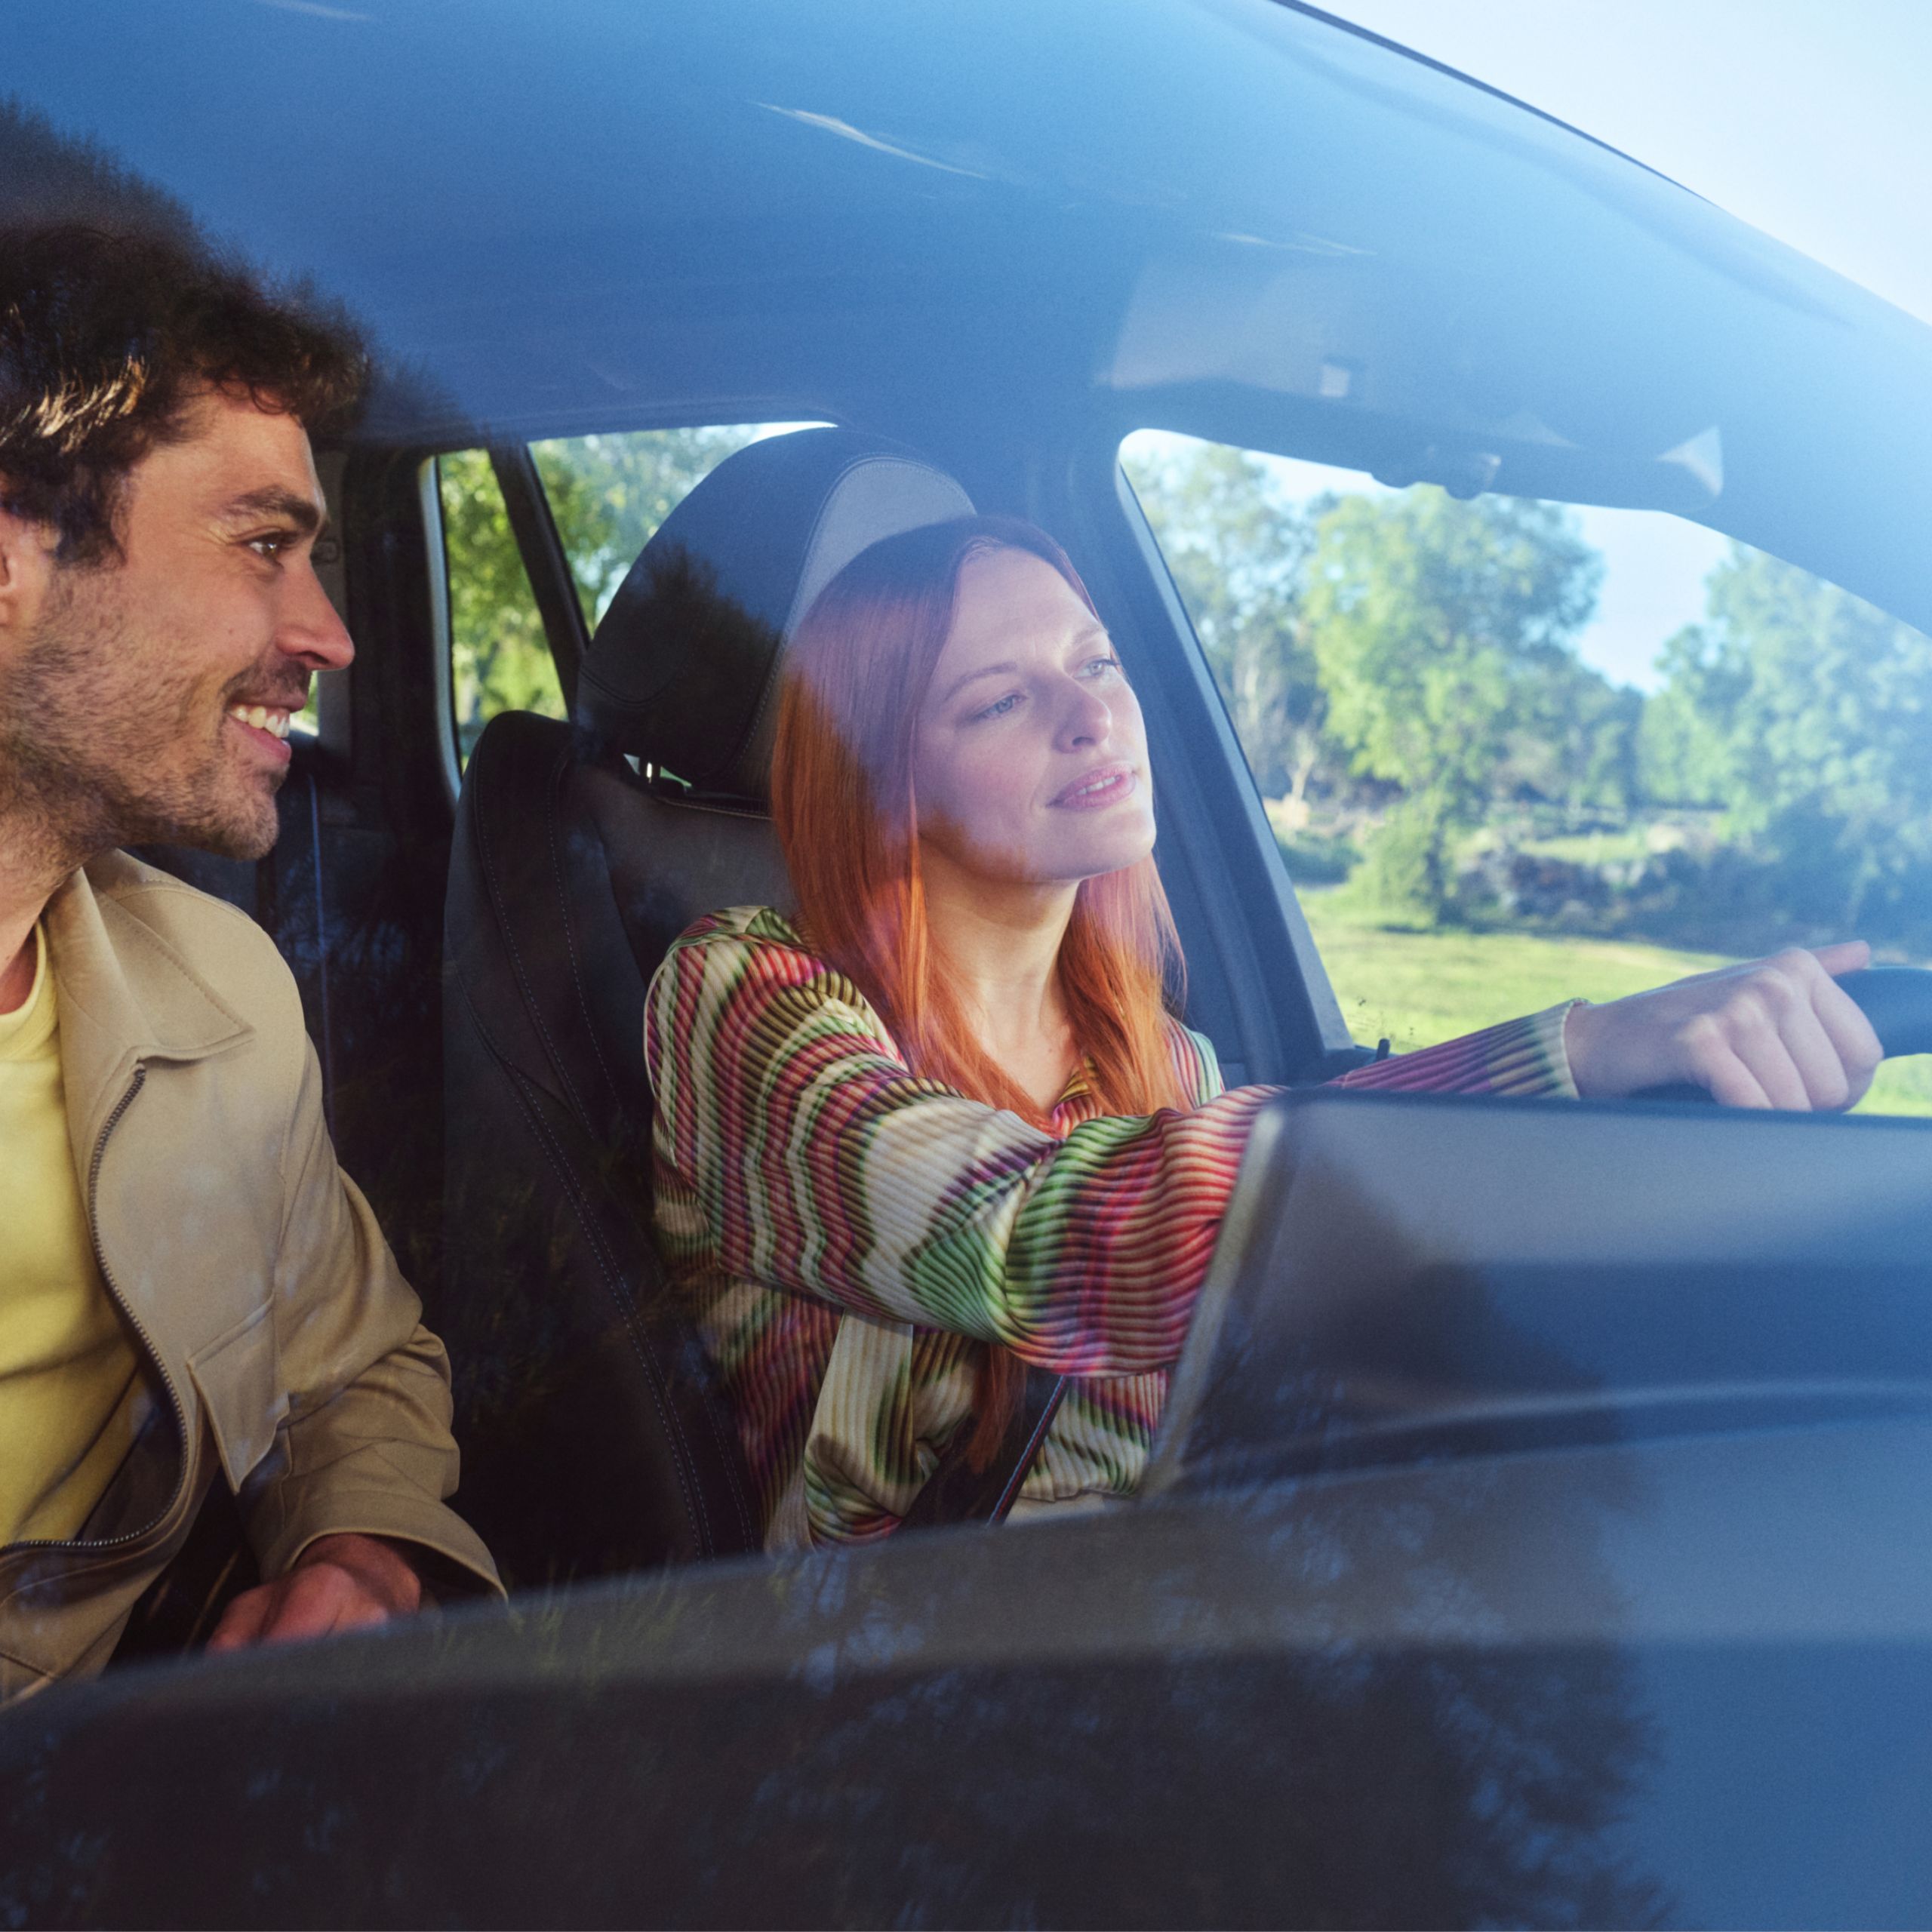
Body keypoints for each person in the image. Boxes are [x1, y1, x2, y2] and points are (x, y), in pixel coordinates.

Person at [644, 514, 1884, 1550]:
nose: (1092, 717)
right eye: (1002, 700)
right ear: (880, 782)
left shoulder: (1159, 1058)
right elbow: (1023, 1238)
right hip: (868, 1703)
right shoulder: (745, 994)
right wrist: (1576, 1055)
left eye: (1102, 663)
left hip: (1160, 1636)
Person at [0, 224, 499, 1703]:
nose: (330, 634)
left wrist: (364, 1554)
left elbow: (356, 1362)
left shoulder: (224, 992)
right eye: (263, 543)